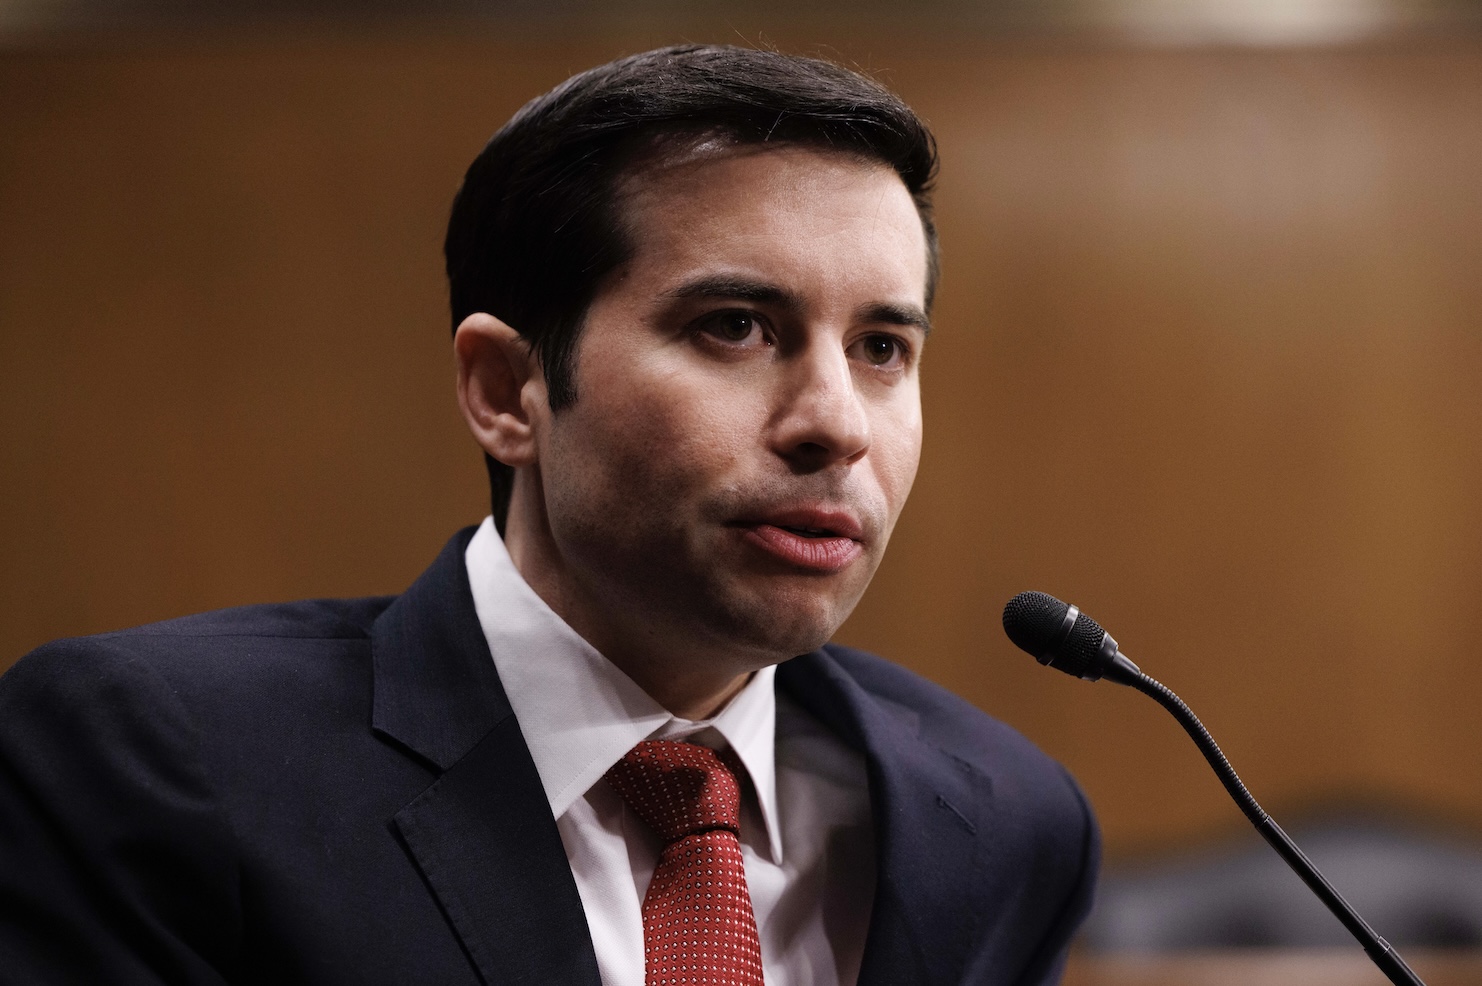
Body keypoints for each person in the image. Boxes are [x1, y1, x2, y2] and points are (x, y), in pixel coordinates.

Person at [0, 44, 1097, 985]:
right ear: (506, 390)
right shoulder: (161, 765)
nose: (837, 424)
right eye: (734, 326)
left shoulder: (1003, 822)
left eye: (881, 348)